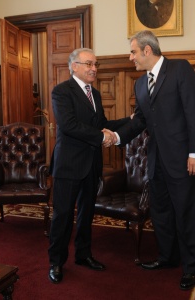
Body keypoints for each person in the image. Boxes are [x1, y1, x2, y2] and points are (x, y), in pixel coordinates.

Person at [111, 30, 195, 290]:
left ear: (147, 50)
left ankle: (190, 267)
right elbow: (140, 121)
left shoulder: (180, 69)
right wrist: (118, 137)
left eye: (132, 52)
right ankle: (167, 258)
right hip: (156, 161)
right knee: (162, 213)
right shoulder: (140, 84)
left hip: (184, 160)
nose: (130, 57)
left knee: (185, 214)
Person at [48, 48, 131, 284]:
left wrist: (128, 121)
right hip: (68, 165)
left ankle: (84, 255)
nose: (94, 68)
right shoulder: (61, 92)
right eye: (89, 64)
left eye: (96, 64)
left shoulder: (94, 93)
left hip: (92, 164)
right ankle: (56, 262)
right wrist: (101, 137)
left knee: (87, 213)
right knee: (63, 215)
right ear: (74, 66)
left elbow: (101, 124)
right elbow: (69, 125)